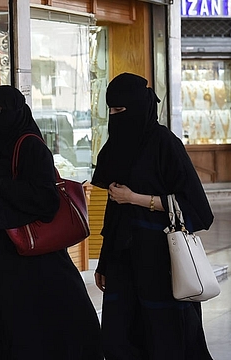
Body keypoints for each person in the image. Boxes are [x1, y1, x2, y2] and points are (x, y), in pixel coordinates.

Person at [0, 85, 103, 360]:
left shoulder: (31, 147)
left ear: (14, 112)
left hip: (28, 265)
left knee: (32, 336)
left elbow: (45, 202)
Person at [92, 73, 215, 360]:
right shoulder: (116, 146)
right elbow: (114, 211)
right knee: (117, 337)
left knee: (164, 337)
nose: (114, 116)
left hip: (161, 260)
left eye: (120, 110)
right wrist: (104, 261)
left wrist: (136, 198)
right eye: (110, 111)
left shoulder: (164, 144)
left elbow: (195, 206)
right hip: (123, 258)